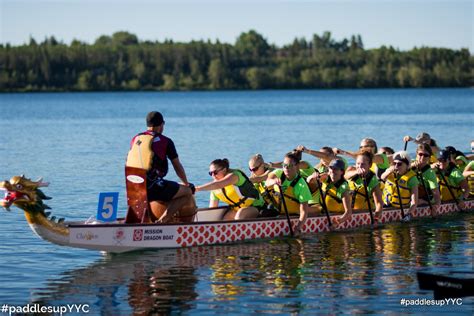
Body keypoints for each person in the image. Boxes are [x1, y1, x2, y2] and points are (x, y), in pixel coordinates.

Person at [127, 111, 196, 223]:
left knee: (165, 185)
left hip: (133, 187)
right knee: (187, 192)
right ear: (162, 124)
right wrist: (186, 184)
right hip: (152, 187)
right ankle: (162, 221)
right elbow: (177, 166)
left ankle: (142, 222)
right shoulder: (166, 141)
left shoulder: (136, 139)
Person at [195, 158, 263, 220]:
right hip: (237, 209)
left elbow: (219, 184)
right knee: (226, 219)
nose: (213, 175)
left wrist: (197, 189)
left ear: (224, 170)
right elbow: (212, 209)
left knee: (239, 216)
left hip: (256, 206)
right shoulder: (215, 189)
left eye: (215, 172)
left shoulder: (235, 176)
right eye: (210, 173)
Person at [265, 152, 314, 233]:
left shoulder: (301, 184)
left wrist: (298, 227)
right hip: (276, 211)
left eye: (290, 166)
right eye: (284, 165)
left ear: (297, 166)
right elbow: (267, 182)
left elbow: (304, 211)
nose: (286, 168)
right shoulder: (278, 173)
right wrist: (273, 181)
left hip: (291, 214)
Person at [307, 159, 352, 225]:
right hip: (321, 208)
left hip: (335, 213)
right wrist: (313, 177)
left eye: (336, 169)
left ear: (342, 172)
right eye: (331, 168)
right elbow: (309, 180)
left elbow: (348, 213)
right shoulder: (326, 177)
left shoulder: (343, 188)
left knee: (304, 210)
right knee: (301, 209)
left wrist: (338, 221)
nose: (332, 171)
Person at [345, 152, 383, 221]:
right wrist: (356, 172)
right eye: (358, 163)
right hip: (348, 211)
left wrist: (377, 214)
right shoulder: (351, 170)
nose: (359, 166)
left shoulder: (372, 180)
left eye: (363, 164)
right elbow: (345, 176)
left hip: (363, 213)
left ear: (370, 165)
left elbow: (379, 202)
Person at [381, 151, 419, 218]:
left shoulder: (412, 179)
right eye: (394, 163)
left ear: (407, 166)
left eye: (399, 164)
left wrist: (409, 214)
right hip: (385, 206)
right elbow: (382, 177)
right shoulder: (390, 172)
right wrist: (389, 171)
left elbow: (414, 202)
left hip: (402, 209)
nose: (396, 166)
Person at [410, 144, 441, 216]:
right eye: (420, 154)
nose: (422, 157)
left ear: (429, 157)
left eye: (426, 155)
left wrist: (435, 207)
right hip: (410, 196)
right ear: (416, 154)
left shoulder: (430, 173)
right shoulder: (408, 164)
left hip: (425, 198)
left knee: (417, 201)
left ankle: (421, 203)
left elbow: (437, 196)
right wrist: (410, 167)